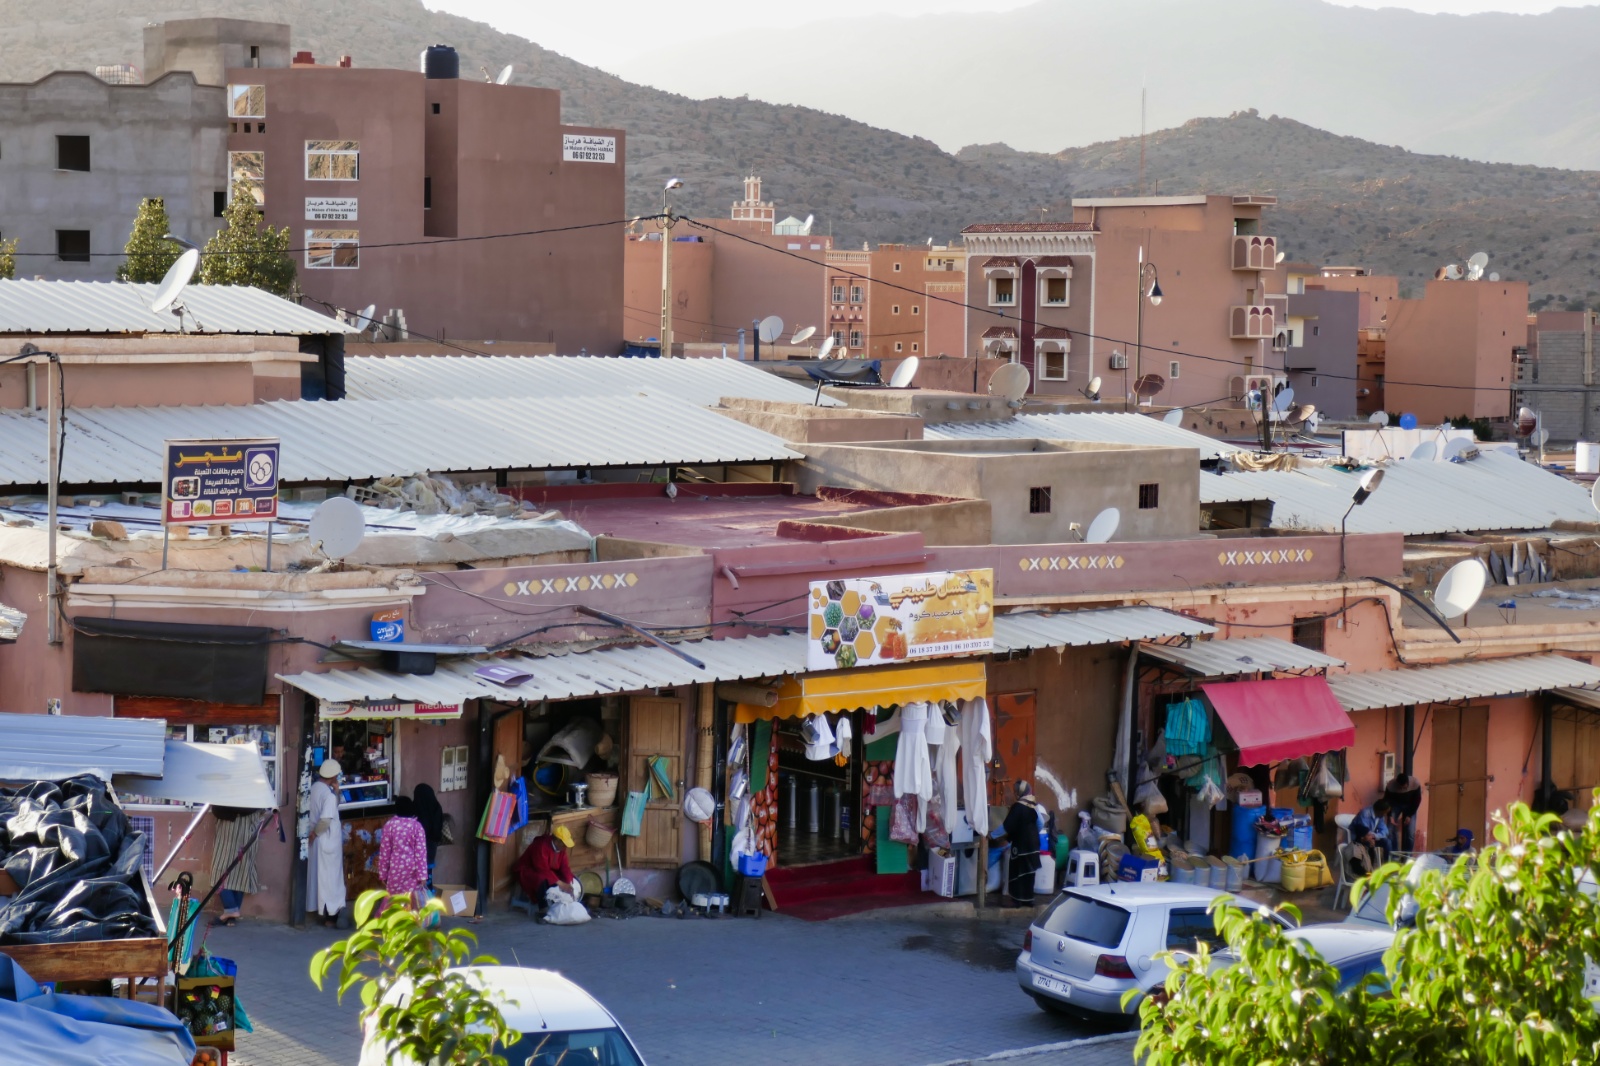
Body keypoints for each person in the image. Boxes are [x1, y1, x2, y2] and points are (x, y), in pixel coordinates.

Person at [307, 758, 347, 928]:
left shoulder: (315, 788)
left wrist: (336, 792)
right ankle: (331, 916)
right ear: (333, 776)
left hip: (317, 842)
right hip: (326, 841)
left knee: (319, 877)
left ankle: (319, 910)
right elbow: (326, 819)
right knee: (331, 880)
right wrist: (314, 834)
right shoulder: (328, 795)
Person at [209, 807, 265, 927]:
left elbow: (217, 808)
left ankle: (231, 912)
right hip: (237, 828)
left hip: (237, 827)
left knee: (234, 872)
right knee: (236, 871)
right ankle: (232, 914)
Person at [999, 781, 1046, 908]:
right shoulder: (1034, 805)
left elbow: (1006, 826)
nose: (1014, 793)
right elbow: (1041, 823)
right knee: (1030, 871)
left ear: (1019, 792)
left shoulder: (1018, 807)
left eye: (1015, 791)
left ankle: (1017, 900)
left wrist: (992, 835)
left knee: (1018, 870)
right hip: (1034, 843)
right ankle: (1029, 899)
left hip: (1021, 843)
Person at [514, 825, 578, 911]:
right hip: (527, 870)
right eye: (564, 844)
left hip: (546, 870)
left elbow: (564, 867)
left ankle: (557, 905)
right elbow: (541, 869)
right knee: (542, 879)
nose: (565, 847)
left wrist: (568, 882)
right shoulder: (541, 845)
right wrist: (561, 884)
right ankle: (543, 909)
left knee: (562, 877)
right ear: (557, 841)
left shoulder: (561, 849)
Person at [378, 802, 429, 900]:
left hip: (394, 871)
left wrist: (383, 874)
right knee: (412, 902)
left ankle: (396, 915)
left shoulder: (390, 825)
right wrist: (422, 875)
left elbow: (385, 853)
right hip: (412, 873)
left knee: (394, 901)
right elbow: (420, 854)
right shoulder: (417, 827)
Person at [412, 783, 446, 888]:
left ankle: (417, 901)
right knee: (428, 875)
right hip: (431, 846)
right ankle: (428, 899)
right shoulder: (436, 806)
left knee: (416, 879)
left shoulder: (415, 808)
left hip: (416, 850)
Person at [1350, 798, 1394, 864]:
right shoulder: (1365, 813)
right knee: (1369, 843)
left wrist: (1374, 836)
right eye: (1385, 812)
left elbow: (1385, 831)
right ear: (1380, 811)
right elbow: (1363, 831)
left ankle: (1388, 865)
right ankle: (1368, 867)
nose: (1385, 814)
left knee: (1388, 842)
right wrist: (1371, 838)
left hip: (1370, 837)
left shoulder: (1380, 816)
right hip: (1358, 837)